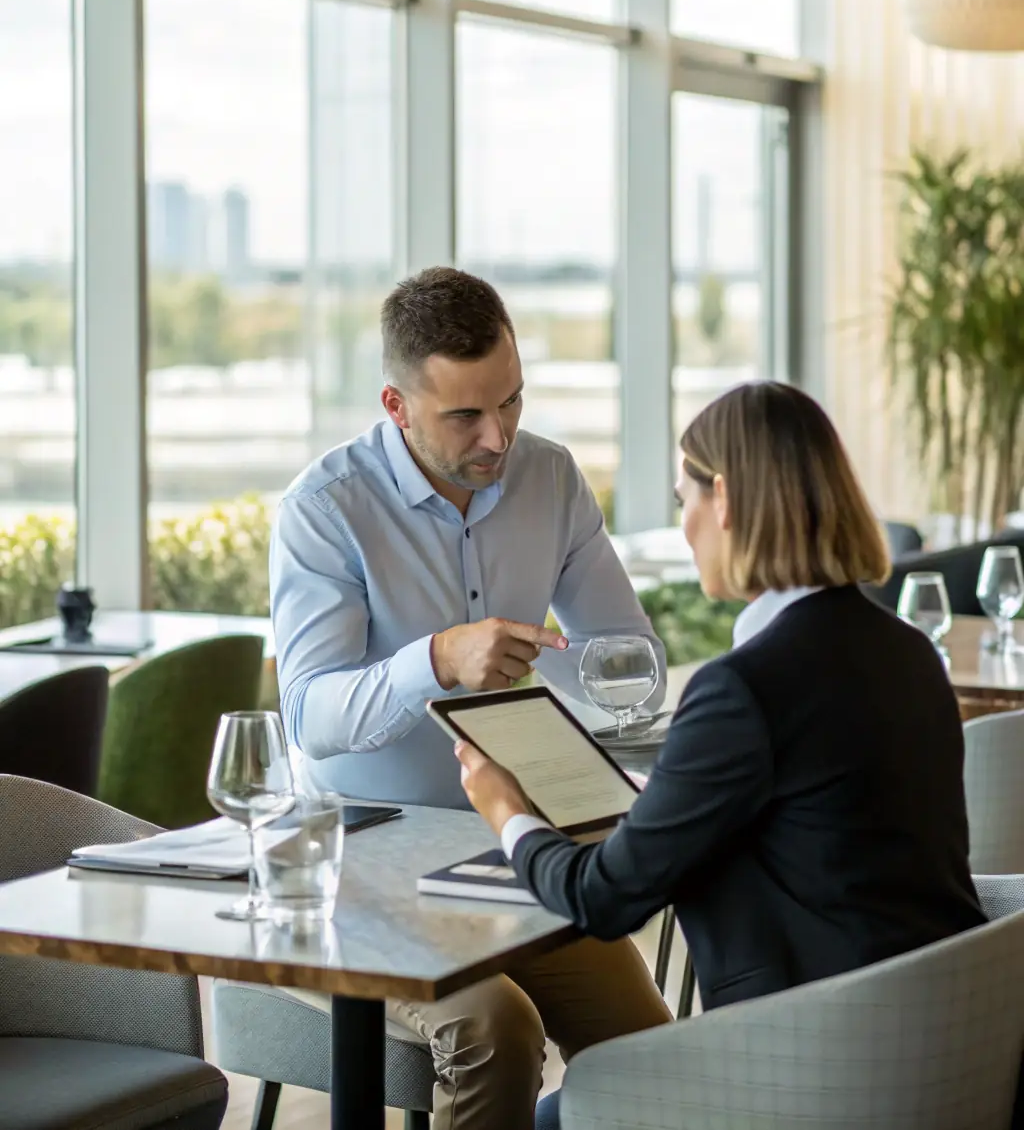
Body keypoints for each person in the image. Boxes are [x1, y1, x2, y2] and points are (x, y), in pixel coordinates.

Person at [456, 380, 987, 1130]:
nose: (686, 527)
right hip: (948, 1053)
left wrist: (505, 807)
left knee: (553, 1118)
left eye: (684, 501)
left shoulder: (744, 688)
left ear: (726, 499)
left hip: (807, 1069)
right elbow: (819, 822)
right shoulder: (908, 653)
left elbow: (601, 898)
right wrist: (666, 795)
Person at [270, 266, 671, 1130]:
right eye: (465, 415)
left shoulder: (552, 479)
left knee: (653, 1053)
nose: (499, 436)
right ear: (396, 403)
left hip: (507, 852)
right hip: (354, 869)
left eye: (513, 401)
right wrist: (438, 662)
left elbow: (631, 662)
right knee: (495, 1026)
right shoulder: (326, 508)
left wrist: (567, 670)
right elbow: (311, 719)